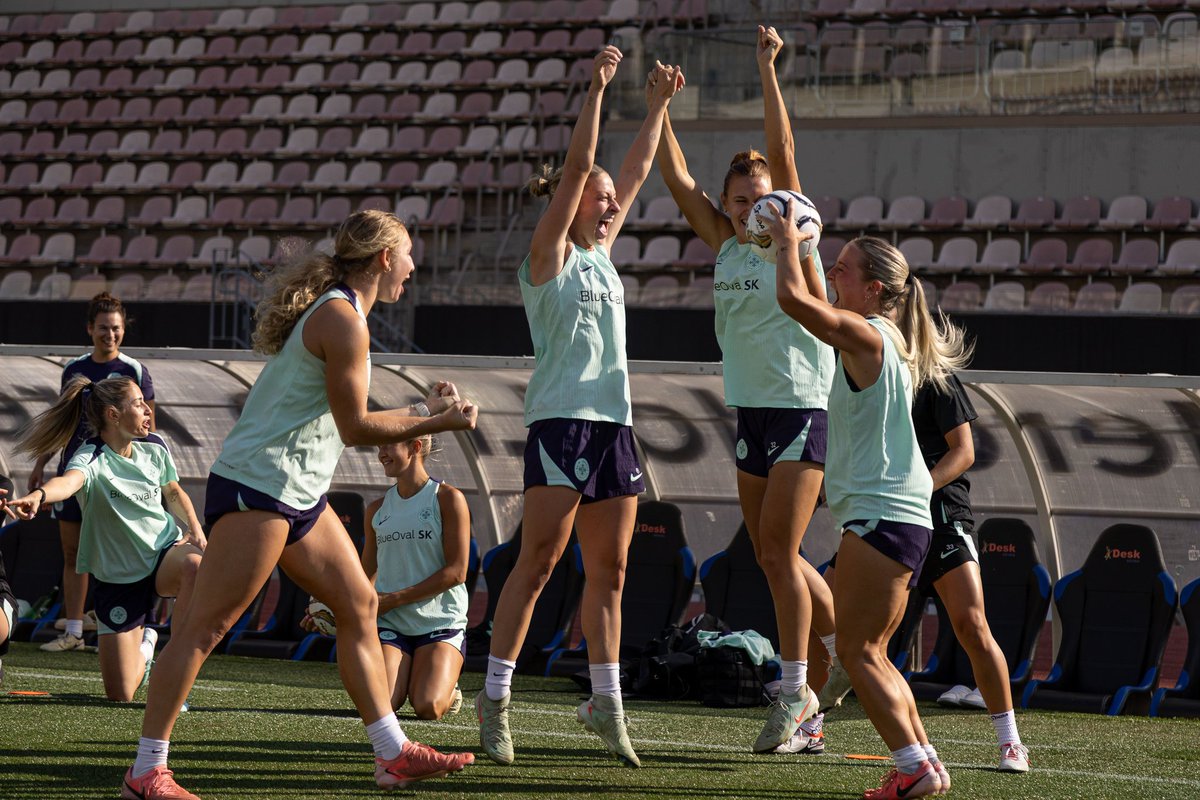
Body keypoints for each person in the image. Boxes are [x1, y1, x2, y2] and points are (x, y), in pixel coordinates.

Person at [122, 210, 479, 800]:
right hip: (260, 488)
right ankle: (145, 771)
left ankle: (391, 756)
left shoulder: (345, 315)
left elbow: (351, 416)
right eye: (409, 254)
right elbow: (357, 426)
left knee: (359, 604)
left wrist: (422, 414)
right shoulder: (343, 320)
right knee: (202, 628)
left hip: (294, 494)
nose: (415, 267)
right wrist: (437, 419)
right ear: (385, 258)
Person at [475, 48, 680, 769]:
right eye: (596, 198)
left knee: (612, 572)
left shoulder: (602, 254)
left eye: (608, 200)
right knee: (536, 563)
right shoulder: (549, 258)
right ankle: (496, 699)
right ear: (569, 199)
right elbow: (587, 161)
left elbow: (634, 171)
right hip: (560, 421)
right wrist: (595, 90)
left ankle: (605, 702)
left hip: (612, 426)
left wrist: (655, 108)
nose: (610, 203)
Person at [653, 26, 841, 754]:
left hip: (800, 405)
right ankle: (841, 654)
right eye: (741, 201)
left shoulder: (794, 240)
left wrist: (768, 67)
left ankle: (794, 690)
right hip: (751, 411)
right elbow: (675, 182)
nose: (751, 210)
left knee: (778, 547)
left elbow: (785, 154)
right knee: (772, 558)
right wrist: (661, 110)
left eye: (763, 200)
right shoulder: (727, 242)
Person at [769, 215, 971, 800]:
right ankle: (925, 763)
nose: (833, 274)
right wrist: (803, 247)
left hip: (884, 515)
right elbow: (810, 297)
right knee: (874, 652)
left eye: (844, 269)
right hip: (897, 515)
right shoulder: (884, 335)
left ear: (875, 289)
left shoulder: (870, 335)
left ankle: (910, 767)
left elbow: (792, 300)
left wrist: (785, 243)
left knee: (857, 654)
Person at [4, 377, 203, 702]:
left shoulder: (155, 446)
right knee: (121, 693)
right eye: (138, 403)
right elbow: (68, 483)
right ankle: (149, 638)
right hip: (119, 578)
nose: (147, 410)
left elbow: (173, 490)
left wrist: (195, 527)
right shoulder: (91, 456)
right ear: (113, 414)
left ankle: (174, 677)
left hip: (162, 553)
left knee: (194, 565)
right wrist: (40, 494)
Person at [909, 374, 1030, 773]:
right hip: (887, 518)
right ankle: (811, 721)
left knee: (972, 625)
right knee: (847, 629)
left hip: (941, 517)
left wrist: (917, 487)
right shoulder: (861, 365)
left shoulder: (936, 377)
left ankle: (1011, 742)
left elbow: (963, 451)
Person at [307, 435, 470, 720]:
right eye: (379, 446)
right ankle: (418, 673)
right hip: (391, 623)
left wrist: (393, 599)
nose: (380, 453)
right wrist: (329, 606)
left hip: (440, 620)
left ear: (415, 447)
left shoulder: (448, 498)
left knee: (428, 706)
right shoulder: (377, 510)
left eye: (387, 446)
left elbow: (457, 572)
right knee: (383, 704)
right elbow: (363, 575)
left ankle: (446, 686)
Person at [27, 292, 155, 653]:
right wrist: (40, 465)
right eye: (103, 328)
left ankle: (118, 627)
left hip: (118, 478)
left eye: (116, 329)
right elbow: (64, 421)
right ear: (90, 329)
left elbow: (148, 427)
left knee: (118, 552)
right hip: (76, 470)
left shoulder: (135, 371)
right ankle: (73, 630)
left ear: (123, 329)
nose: (110, 335)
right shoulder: (73, 369)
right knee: (73, 552)